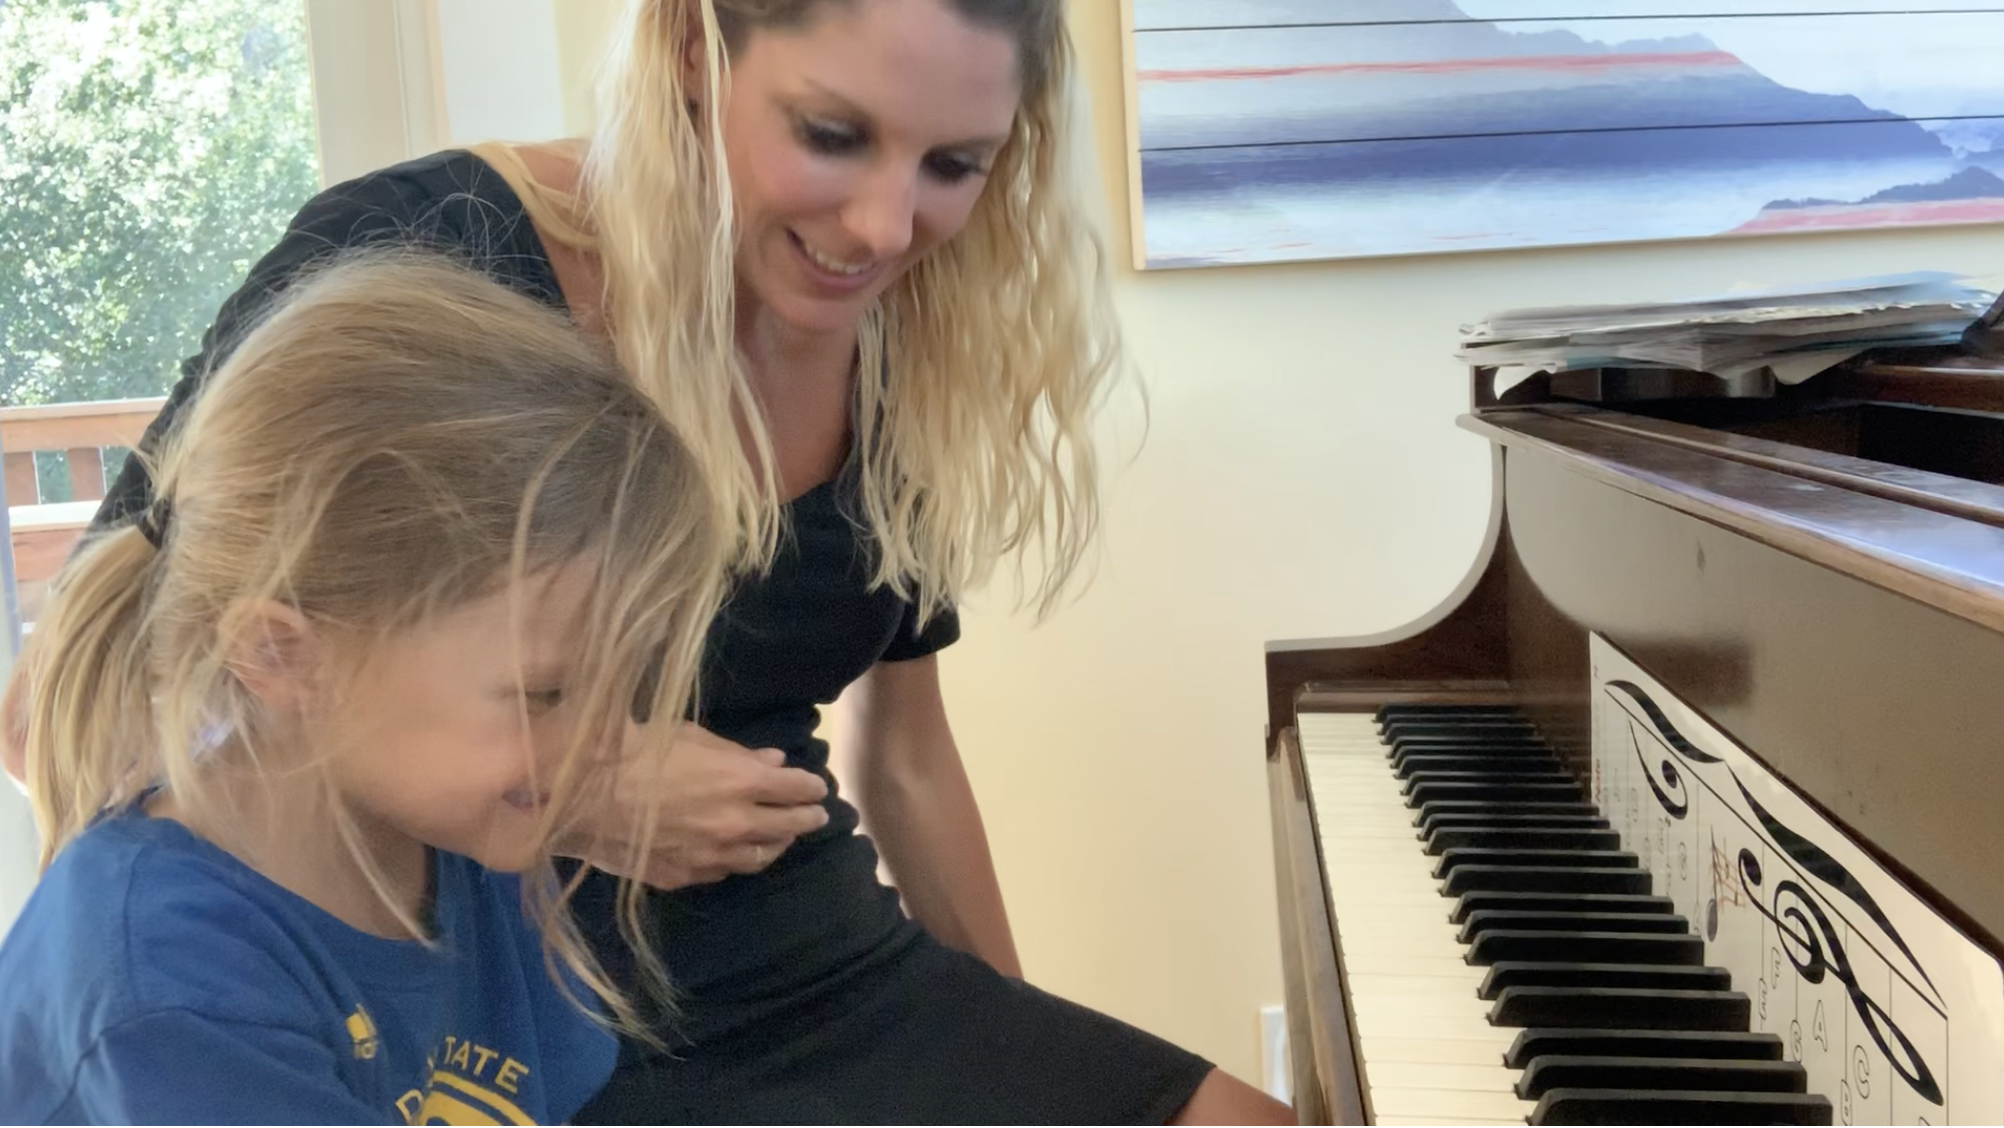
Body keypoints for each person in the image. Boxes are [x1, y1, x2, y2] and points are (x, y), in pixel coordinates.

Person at [29, 0, 1297, 1121]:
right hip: (500, 981)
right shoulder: (436, 252)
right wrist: (586, 784)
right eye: (833, 134)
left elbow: (904, 756)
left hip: (802, 951)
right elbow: (78, 700)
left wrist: (1024, 1057)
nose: (885, 224)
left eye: (955, 164)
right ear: (692, 47)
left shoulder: (909, 345)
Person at [0, 251, 731, 1123]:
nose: (613, 740)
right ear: (282, 656)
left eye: (628, 683)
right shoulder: (167, 989)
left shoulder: (457, 841)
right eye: (546, 695)